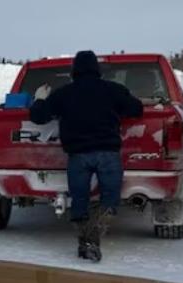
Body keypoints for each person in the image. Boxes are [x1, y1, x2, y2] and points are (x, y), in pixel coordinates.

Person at [29, 50, 143, 262]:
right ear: (97, 70)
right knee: (109, 201)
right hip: (108, 154)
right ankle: (92, 239)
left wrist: (39, 99)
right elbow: (137, 109)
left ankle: (86, 242)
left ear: (74, 71)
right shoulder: (113, 90)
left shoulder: (64, 94)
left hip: (78, 156)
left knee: (79, 202)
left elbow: (38, 116)